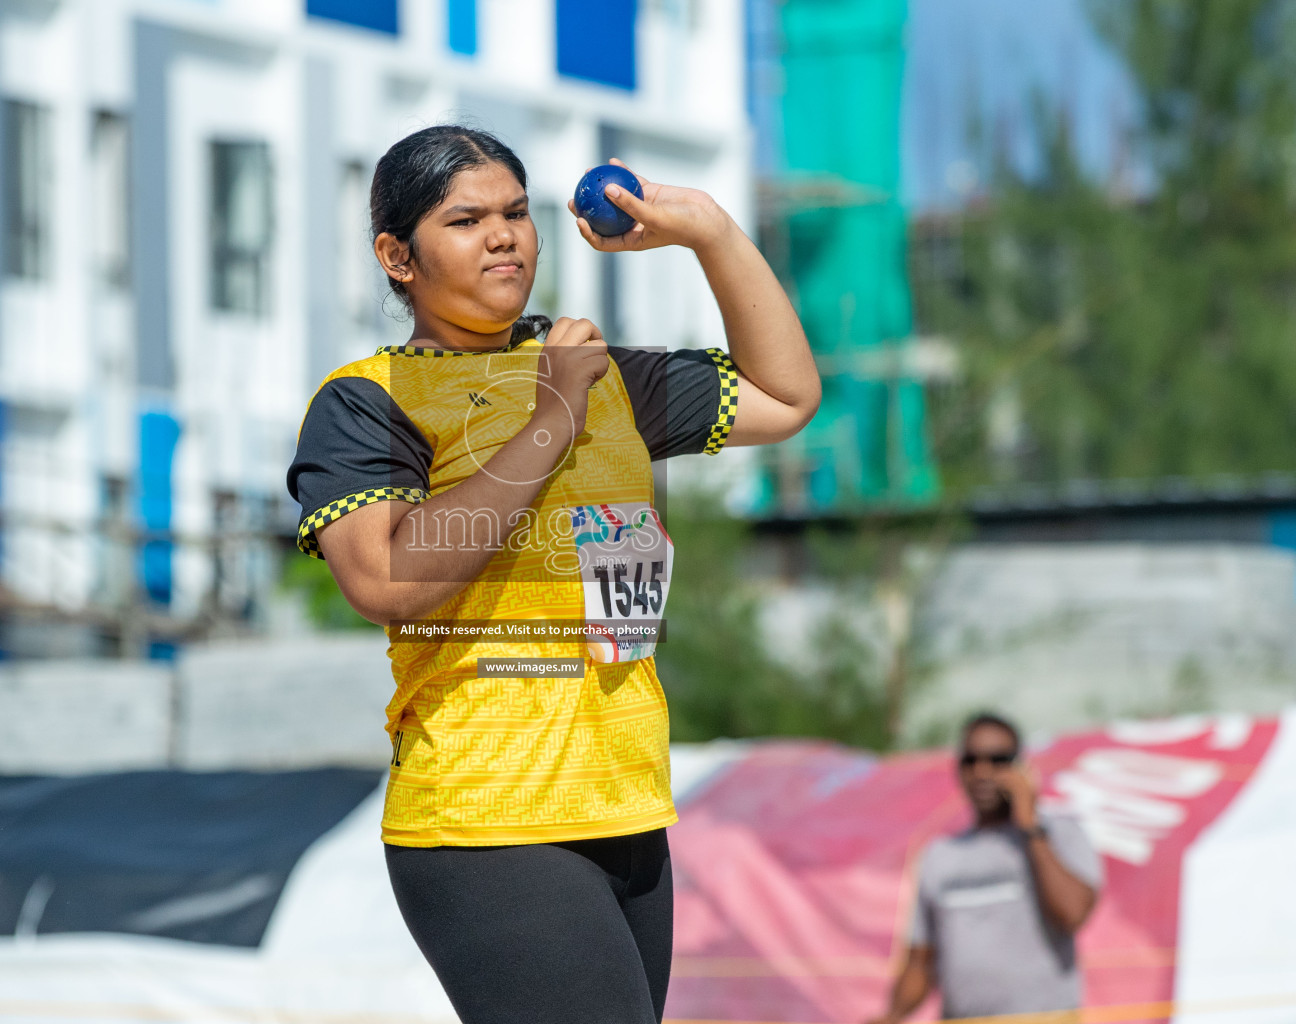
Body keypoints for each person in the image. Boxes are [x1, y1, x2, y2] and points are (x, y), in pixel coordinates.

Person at [285, 125, 818, 1024]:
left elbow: (788, 396)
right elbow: (386, 580)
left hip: (629, 807)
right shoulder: (365, 399)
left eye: (514, 213)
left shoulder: (600, 372)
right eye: (465, 220)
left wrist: (713, 233)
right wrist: (552, 419)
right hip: (487, 821)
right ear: (396, 256)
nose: (504, 236)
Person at [868, 713, 1103, 1024]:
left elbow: (1073, 913)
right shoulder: (940, 855)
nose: (982, 772)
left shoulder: (1058, 833)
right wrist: (891, 1016)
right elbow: (921, 963)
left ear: (1020, 767)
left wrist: (1030, 825)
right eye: (971, 760)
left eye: (997, 760)